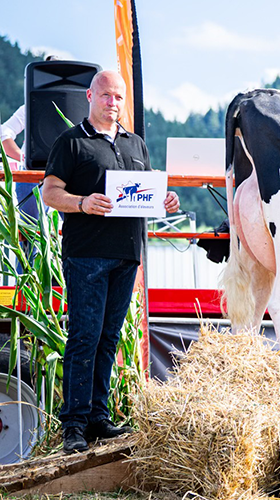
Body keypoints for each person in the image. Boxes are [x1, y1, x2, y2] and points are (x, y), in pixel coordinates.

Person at [42, 71, 181, 453]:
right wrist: (82, 203)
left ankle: (98, 419)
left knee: (108, 339)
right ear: (90, 96)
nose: (112, 103)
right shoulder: (71, 142)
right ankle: (73, 425)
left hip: (125, 255)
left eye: (118, 97)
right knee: (83, 338)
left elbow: (147, 193)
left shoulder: (136, 144)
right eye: (105, 96)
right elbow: (50, 192)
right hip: (86, 255)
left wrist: (166, 201)